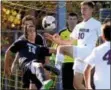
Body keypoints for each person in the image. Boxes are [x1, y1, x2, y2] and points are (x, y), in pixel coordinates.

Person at [45, 1, 101, 89]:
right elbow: (69, 42)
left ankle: (57, 67)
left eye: (85, 9)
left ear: (91, 10)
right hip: (80, 56)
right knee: (77, 85)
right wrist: (56, 40)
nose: (83, 11)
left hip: (88, 51)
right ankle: (57, 68)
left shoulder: (96, 24)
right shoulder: (78, 26)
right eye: (82, 9)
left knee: (61, 49)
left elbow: (104, 38)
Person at [4, 24, 56, 90]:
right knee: (37, 64)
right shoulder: (21, 42)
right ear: (26, 33)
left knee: (36, 87)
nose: (32, 33)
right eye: (29, 31)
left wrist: (55, 41)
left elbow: (54, 50)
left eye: (33, 31)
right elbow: (8, 52)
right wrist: (6, 67)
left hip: (34, 70)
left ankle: (43, 84)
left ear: (36, 33)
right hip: (26, 65)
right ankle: (44, 82)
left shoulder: (39, 47)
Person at [84, 22, 111, 89]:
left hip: (101, 86)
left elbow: (86, 70)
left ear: (103, 36)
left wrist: (88, 87)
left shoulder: (97, 50)